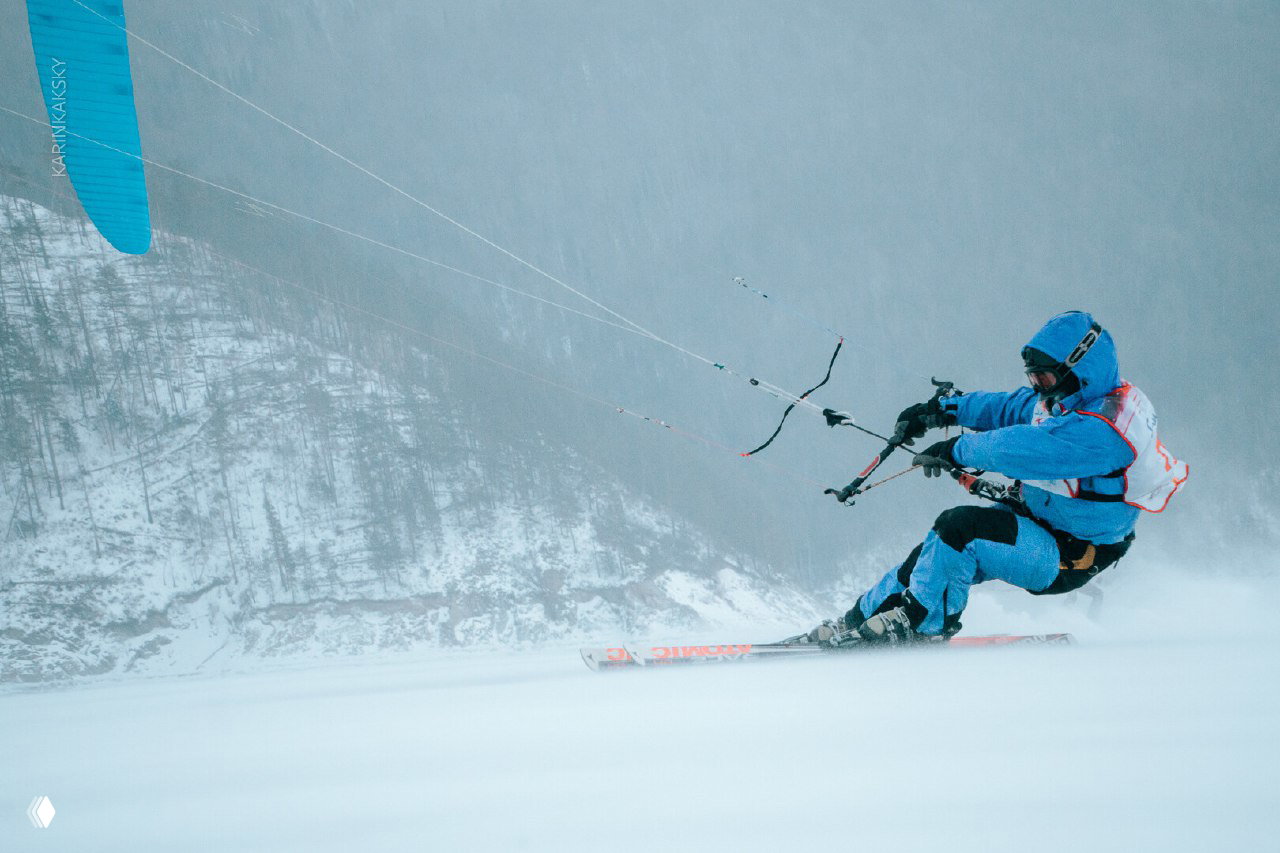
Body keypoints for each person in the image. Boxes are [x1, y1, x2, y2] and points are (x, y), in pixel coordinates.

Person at [807, 310, 1187, 645]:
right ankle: (856, 622)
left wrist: (956, 450)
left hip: (1071, 554)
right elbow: (1008, 408)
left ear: (1080, 369)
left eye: (1044, 378)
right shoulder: (1064, 398)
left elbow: (1026, 448)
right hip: (1036, 523)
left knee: (961, 529)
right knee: (933, 554)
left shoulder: (1112, 429)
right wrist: (939, 410)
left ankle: (922, 626)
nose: (1038, 386)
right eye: (1033, 377)